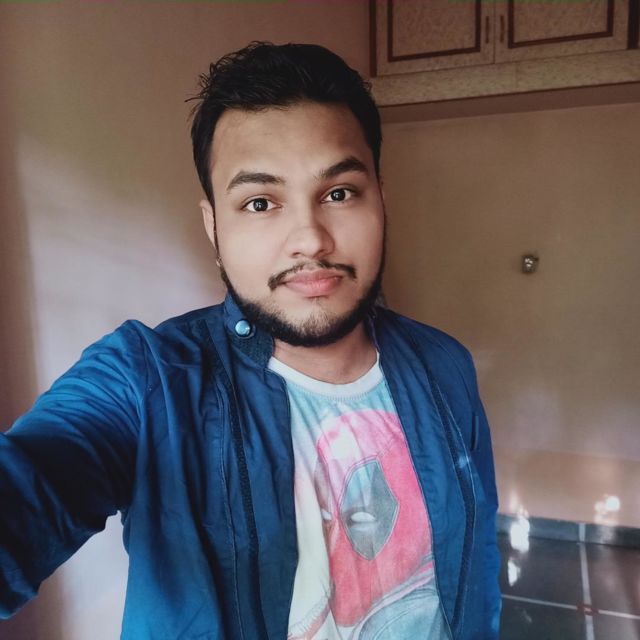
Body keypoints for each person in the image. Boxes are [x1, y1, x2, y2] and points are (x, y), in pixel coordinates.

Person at [0, 42, 501, 639]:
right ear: (213, 226)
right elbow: (34, 481)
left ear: (381, 199)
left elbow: (475, 569)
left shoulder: (444, 364)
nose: (309, 239)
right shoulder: (149, 382)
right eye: (260, 203)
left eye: (339, 193)